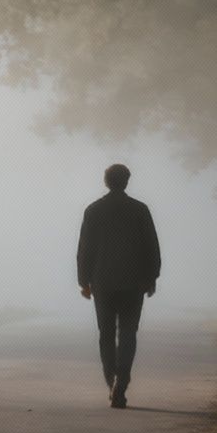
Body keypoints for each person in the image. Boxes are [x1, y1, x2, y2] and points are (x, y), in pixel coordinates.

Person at [76, 163, 161, 409]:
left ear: (106, 181)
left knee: (106, 334)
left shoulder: (93, 211)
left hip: (102, 282)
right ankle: (122, 382)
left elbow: (85, 249)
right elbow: (151, 246)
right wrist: (152, 277)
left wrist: (84, 281)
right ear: (127, 181)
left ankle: (111, 379)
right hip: (133, 283)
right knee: (127, 333)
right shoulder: (140, 210)